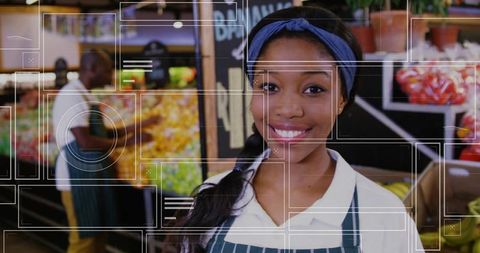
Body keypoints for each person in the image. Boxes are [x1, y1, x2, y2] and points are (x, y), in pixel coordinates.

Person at [165, 6, 425, 253]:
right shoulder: (212, 200)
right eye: (269, 87)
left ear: (341, 100)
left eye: (313, 89)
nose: (288, 109)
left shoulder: (383, 215)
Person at [52, 49, 158, 253]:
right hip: (77, 179)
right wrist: (127, 142)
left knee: (98, 237)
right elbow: (85, 141)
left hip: (90, 175)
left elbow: (102, 132)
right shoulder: (71, 95)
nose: (111, 75)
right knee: (84, 240)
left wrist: (138, 126)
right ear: (92, 69)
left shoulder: (84, 95)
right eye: (107, 70)